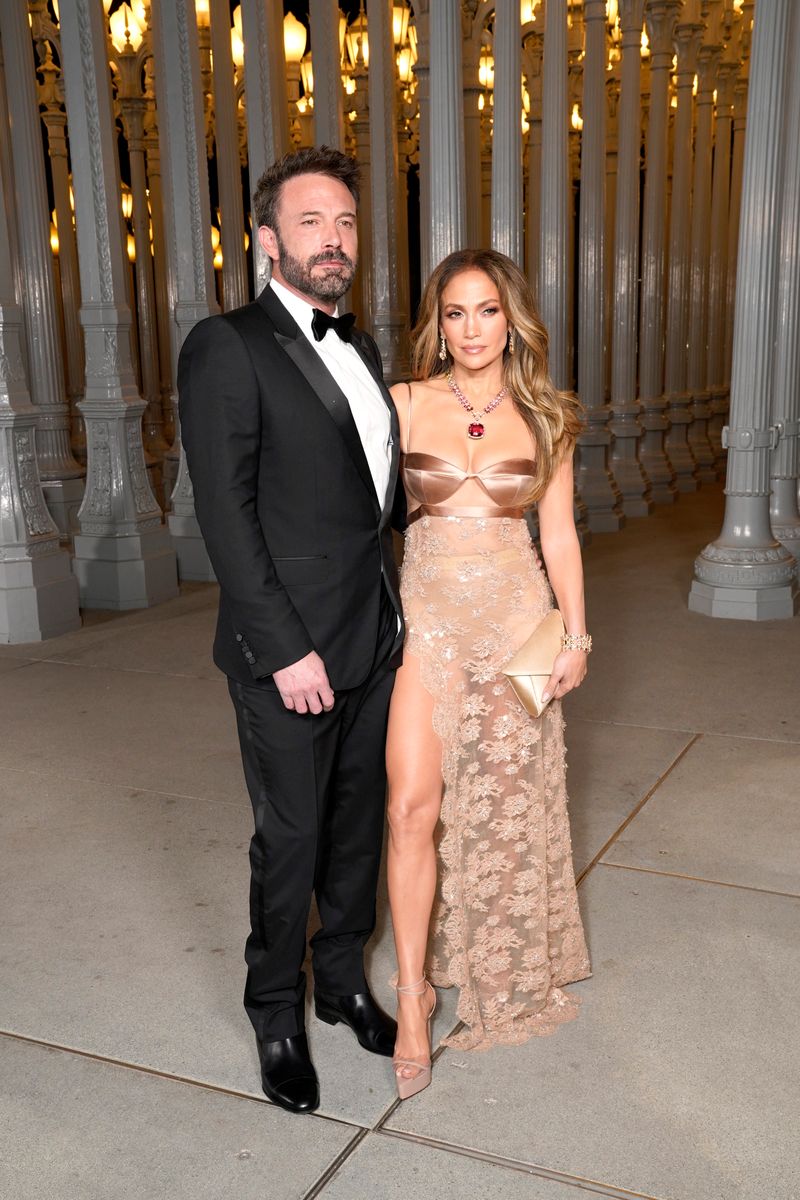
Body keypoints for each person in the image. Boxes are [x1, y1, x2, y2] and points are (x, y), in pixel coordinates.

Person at [178, 146, 404, 1116]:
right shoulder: (224, 346)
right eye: (311, 222)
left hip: (373, 636)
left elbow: (369, 502)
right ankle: (275, 1009)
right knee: (292, 835)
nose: (334, 240)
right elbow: (225, 517)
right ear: (267, 240)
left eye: (346, 223)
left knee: (356, 828)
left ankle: (343, 979)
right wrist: (283, 649)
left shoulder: (361, 349)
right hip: (288, 654)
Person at [385, 249, 592, 1099]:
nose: (473, 330)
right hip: (427, 629)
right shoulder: (400, 403)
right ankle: (412, 993)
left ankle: (502, 963)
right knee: (409, 807)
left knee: (506, 810)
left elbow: (560, 536)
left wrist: (575, 638)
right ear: (440, 320)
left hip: (519, 628)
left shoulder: (549, 417)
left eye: (489, 312)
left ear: (513, 320)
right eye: (457, 312)